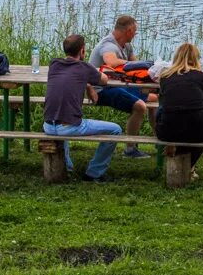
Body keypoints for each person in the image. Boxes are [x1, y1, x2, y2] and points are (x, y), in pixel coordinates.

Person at [43, 34, 123, 183]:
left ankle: (67, 166)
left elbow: (71, 77)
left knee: (63, 116)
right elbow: (104, 80)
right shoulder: (84, 67)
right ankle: (94, 173)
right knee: (116, 129)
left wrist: (86, 85)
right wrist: (89, 84)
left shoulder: (54, 64)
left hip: (48, 125)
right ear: (82, 51)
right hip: (68, 127)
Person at [89, 15, 156, 159]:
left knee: (155, 98)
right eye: (135, 31)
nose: (136, 34)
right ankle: (130, 150)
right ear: (129, 30)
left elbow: (137, 69)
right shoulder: (108, 45)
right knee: (140, 106)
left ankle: (161, 141)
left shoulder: (127, 45)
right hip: (99, 90)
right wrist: (134, 64)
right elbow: (111, 62)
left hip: (117, 86)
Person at [156, 42, 203, 175]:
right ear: (196, 58)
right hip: (198, 131)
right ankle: (190, 165)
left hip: (167, 130)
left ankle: (180, 160)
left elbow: (163, 104)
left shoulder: (165, 77)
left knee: (165, 114)